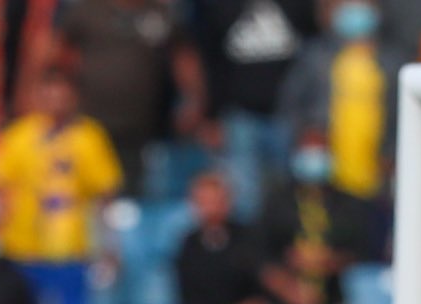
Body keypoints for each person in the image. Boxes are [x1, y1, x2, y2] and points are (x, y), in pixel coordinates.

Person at [0, 69, 123, 304]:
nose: (56, 103)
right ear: (38, 97)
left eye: (63, 96)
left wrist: (110, 246)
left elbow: (106, 195)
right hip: (22, 251)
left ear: (74, 98)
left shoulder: (90, 137)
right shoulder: (17, 137)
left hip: (72, 253)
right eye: (49, 96)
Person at [48, 0, 206, 196]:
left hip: (145, 129)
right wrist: (55, 97)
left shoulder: (161, 14)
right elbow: (59, 54)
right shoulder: (86, 12)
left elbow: (183, 58)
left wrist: (193, 100)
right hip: (90, 127)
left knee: (138, 200)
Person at [256, 124, 365, 304]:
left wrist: (328, 261)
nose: (314, 158)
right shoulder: (277, 200)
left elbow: (361, 250)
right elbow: (258, 256)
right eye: (309, 151)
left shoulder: (347, 202)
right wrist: (288, 287)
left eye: (320, 152)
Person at [274, 0, 401, 225]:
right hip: (328, 168)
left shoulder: (393, 61)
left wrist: (392, 152)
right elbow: (291, 104)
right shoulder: (315, 56)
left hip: (379, 170)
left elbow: (402, 112)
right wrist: (307, 136)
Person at [190, 0, 317, 220]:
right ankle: (249, 252)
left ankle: (287, 245)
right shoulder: (218, 6)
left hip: (289, 117)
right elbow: (211, 61)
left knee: (293, 193)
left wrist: (310, 116)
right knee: (244, 198)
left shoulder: (298, 5)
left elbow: (313, 53)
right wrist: (211, 116)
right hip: (240, 115)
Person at [174, 170, 267, 304]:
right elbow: (186, 293)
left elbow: (265, 278)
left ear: (228, 201)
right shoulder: (188, 244)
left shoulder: (249, 237)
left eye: (216, 200)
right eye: (204, 201)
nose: (211, 208)